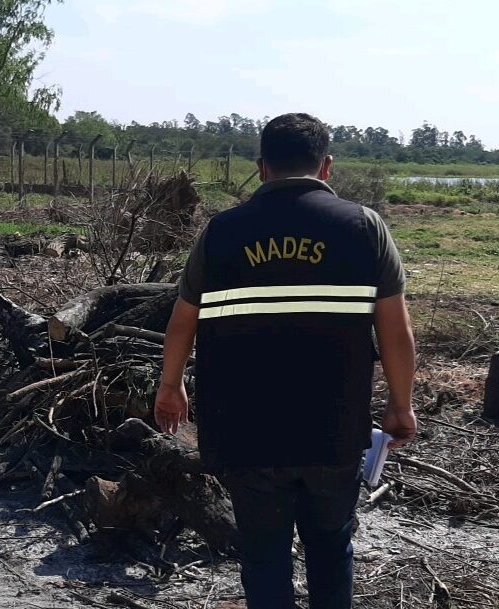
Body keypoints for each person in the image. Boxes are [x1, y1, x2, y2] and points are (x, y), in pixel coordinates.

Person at [154, 113, 417, 609]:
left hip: (245, 429)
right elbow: (397, 332)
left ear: (261, 167)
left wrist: (171, 385)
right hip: (334, 428)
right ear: (327, 167)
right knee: (331, 545)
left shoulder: (222, 233)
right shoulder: (365, 228)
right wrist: (400, 406)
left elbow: (182, 322)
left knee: (263, 552)